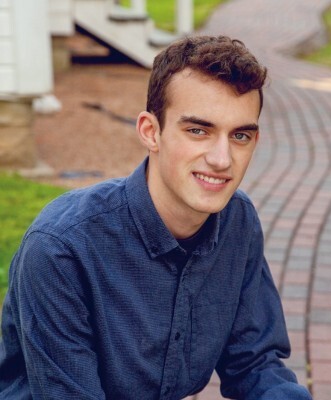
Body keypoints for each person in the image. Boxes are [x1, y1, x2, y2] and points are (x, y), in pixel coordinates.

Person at [0, 35, 312, 399]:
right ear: (151, 132)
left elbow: (255, 364)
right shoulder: (61, 249)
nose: (222, 159)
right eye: (198, 130)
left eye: (240, 135)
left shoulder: (237, 221)